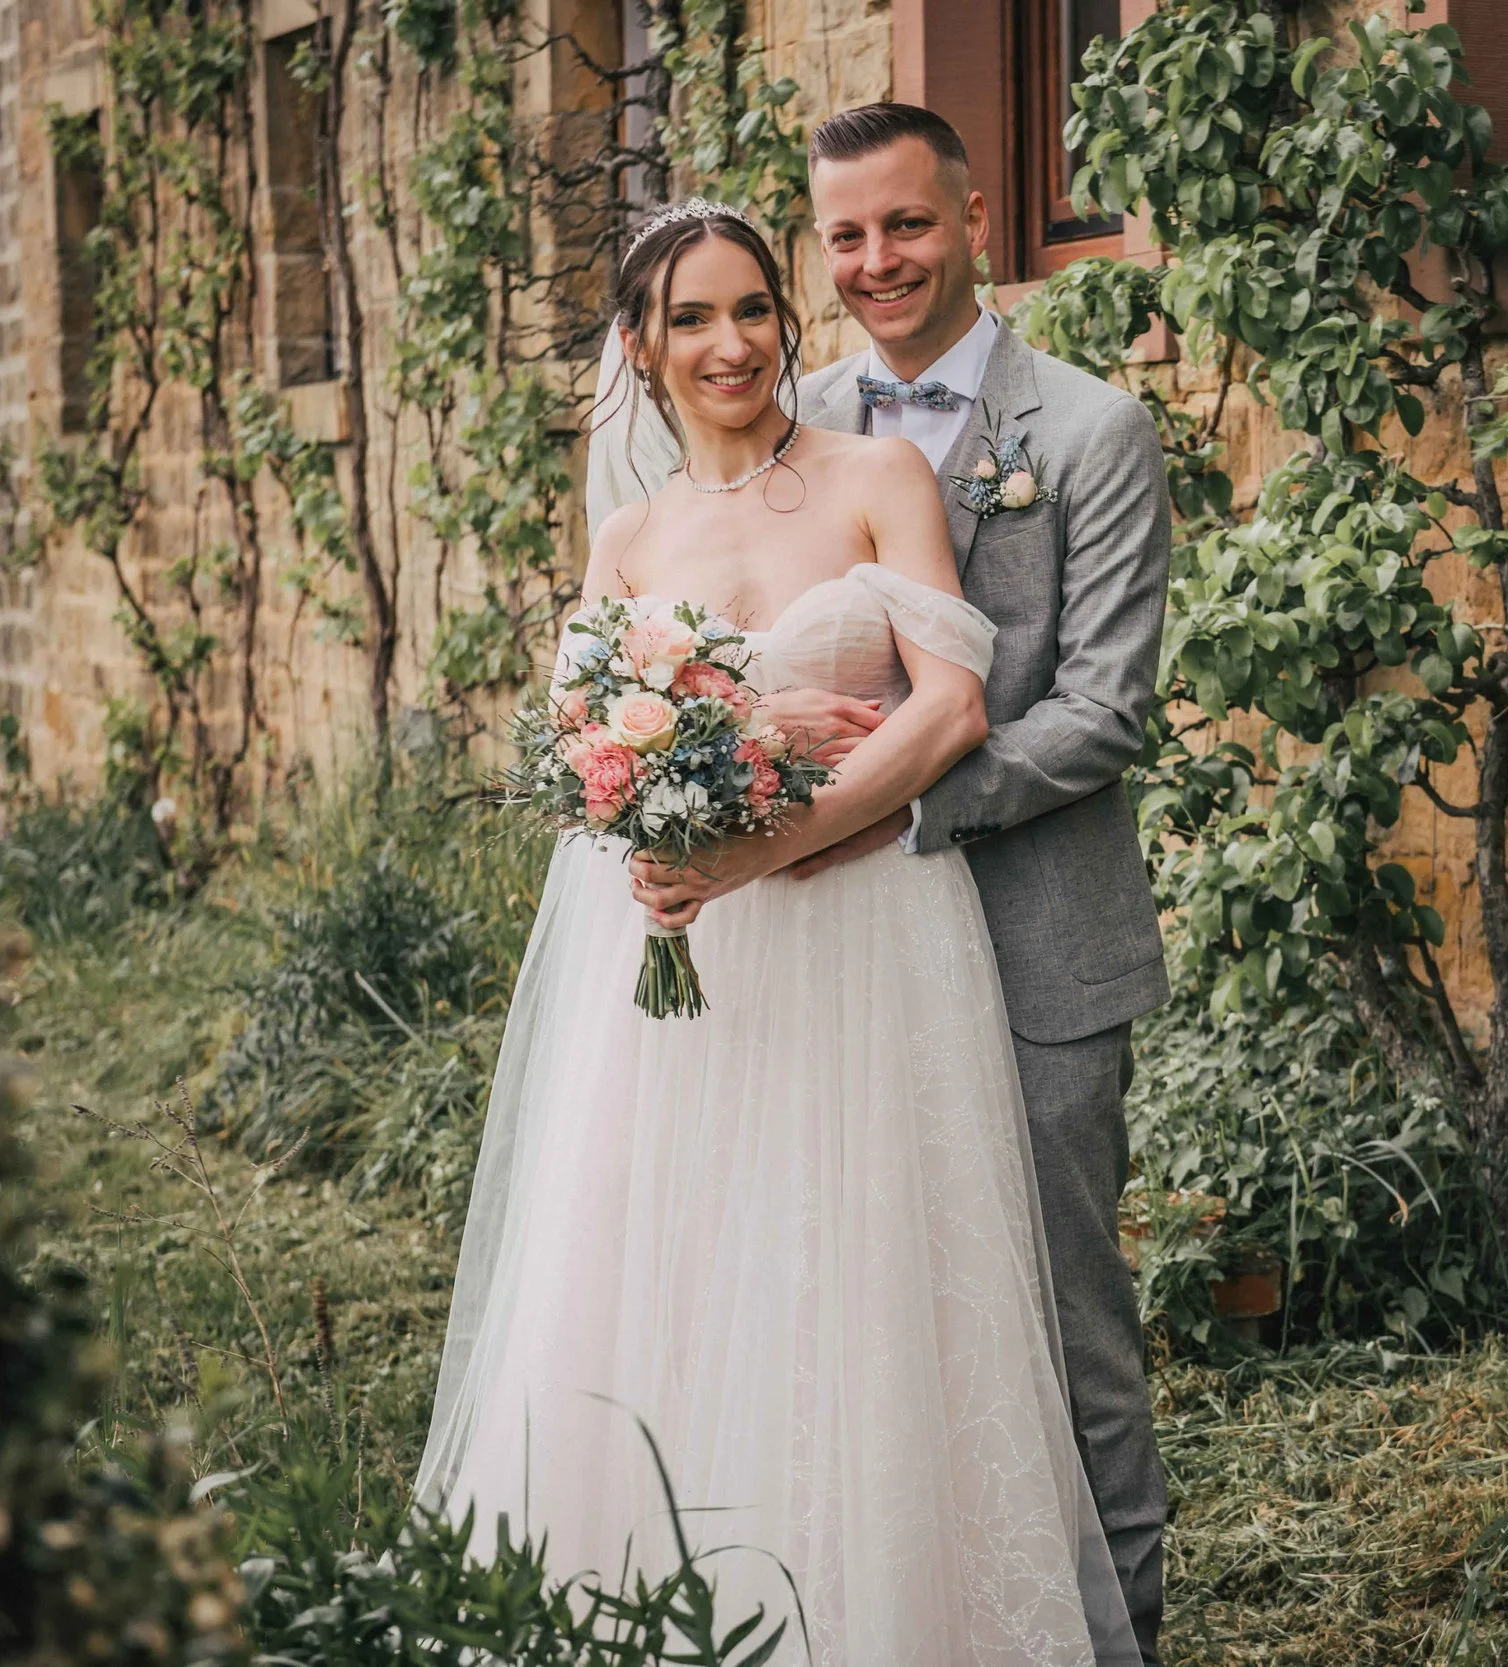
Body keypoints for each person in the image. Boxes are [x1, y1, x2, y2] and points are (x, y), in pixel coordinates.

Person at [414, 198, 1142, 1667]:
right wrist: (738, 732)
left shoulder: (875, 475)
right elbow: (579, 748)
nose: (730, 341)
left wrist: (768, 845)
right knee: (669, 1266)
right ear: (641, 346)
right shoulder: (629, 530)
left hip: (869, 937)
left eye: (752, 307)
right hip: (685, 969)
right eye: (690, 317)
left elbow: (950, 705)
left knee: (862, 1271)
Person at [787, 102, 1175, 1666]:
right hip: (845, 951)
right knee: (867, 1301)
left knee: (1069, 1316)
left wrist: (905, 803)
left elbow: (1102, 709)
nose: (879, 261)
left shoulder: (1088, 431)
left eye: (908, 224)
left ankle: (1122, 1637)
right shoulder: (790, 416)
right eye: (847, 237)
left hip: (1038, 945)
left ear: (977, 216)